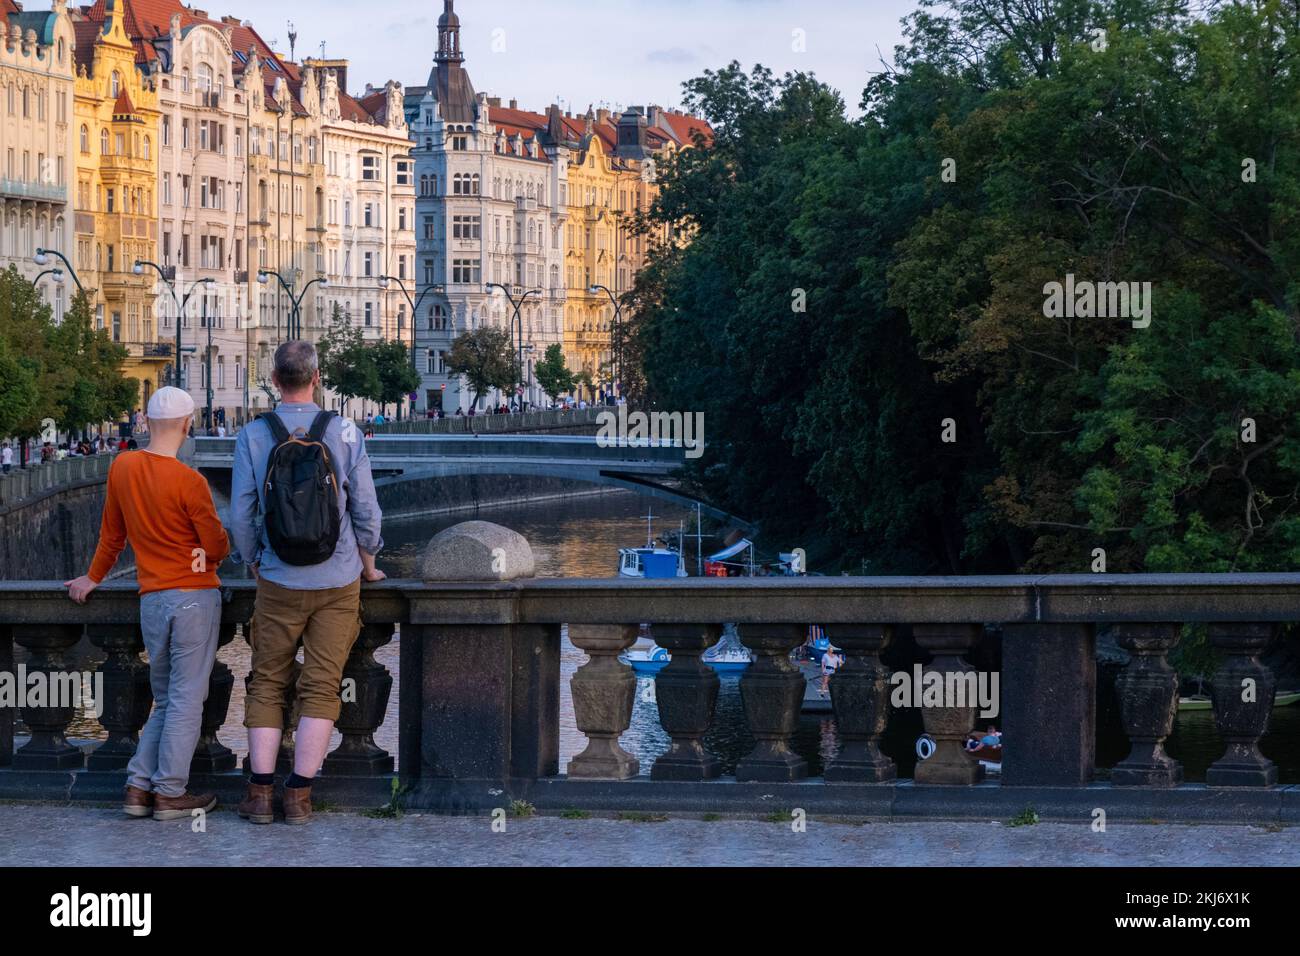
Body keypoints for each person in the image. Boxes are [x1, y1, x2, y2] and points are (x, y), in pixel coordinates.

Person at [230, 341, 385, 826]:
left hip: (277, 579)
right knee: (322, 686)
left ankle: (259, 794)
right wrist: (370, 560)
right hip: (338, 578)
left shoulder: (253, 434)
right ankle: (297, 796)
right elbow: (365, 509)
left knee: (268, 682)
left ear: (275, 380)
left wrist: (253, 557)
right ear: (317, 377)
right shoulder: (344, 430)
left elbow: (240, 513)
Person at [64, 386, 230, 821]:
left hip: (152, 599)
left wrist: (93, 577)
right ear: (188, 425)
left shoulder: (123, 466)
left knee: (165, 697)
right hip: (194, 596)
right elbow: (217, 544)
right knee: (187, 698)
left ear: (146, 424)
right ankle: (171, 793)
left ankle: (138, 787)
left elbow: (112, 535)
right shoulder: (190, 481)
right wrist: (204, 553)